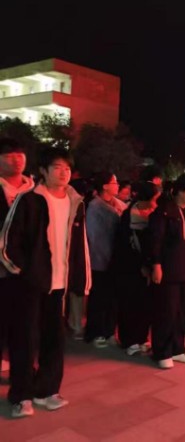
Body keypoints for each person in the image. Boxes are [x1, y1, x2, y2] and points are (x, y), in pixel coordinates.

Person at [1, 147, 91, 418]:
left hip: (59, 283)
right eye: (57, 167)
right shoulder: (29, 200)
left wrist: (80, 277)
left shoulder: (75, 201)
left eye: (67, 168)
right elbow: (8, 242)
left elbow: (79, 244)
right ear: (43, 171)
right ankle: (21, 395)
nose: (63, 173)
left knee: (54, 338)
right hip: (30, 284)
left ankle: (47, 390)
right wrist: (23, 272)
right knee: (25, 340)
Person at [147, 174, 185, 369]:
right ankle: (161, 351)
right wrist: (156, 265)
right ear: (180, 191)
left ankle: (178, 348)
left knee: (182, 311)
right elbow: (155, 241)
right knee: (166, 311)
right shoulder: (164, 212)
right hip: (169, 270)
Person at [0, 138, 34, 383]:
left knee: (24, 324)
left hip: (28, 269)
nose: (17, 159)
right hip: (1, 269)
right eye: (10, 154)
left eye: (20, 154)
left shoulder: (35, 190)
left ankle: (21, 373)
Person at [114, 181, 160, 356]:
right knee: (129, 304)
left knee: (146, 305)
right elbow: (123, 246)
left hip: (148, 267)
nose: (155, 203)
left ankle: (142, 338)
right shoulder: (128, 217)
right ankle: (129, 340)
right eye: (154, 199)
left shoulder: (155, 215)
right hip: (129, 268)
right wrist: (139, 264)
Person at [85, 172, 123, 348]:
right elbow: (95, 238)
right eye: (114, 182)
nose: (117, 185)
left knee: (112, 299)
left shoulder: (117, 204)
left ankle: (109, 331)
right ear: (105, 186)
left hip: (115, 260)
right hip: (100, 261)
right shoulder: (95, 207)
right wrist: (106, 258)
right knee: (99, 299)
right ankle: (95, 332)